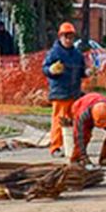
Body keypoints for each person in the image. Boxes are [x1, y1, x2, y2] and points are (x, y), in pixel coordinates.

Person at [42, 21, 87, 157]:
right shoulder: (54, 53)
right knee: (59, 121)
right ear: (60, 37)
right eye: (65, 36)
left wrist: (88, 72)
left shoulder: (77, 55)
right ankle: (55, 147)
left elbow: (82, 71)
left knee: (74, 121)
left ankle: (72, 146)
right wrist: (50, 70)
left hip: (74, 92)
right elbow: (45, 68)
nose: (68, 39)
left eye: (71, 37)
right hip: (60, 92)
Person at [67, 91, 106, 166]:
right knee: (84, 135)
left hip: (95, 107)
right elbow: (79, 136)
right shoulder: (83, 114)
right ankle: (77, 158)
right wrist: (83, 156)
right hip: (79, 106)